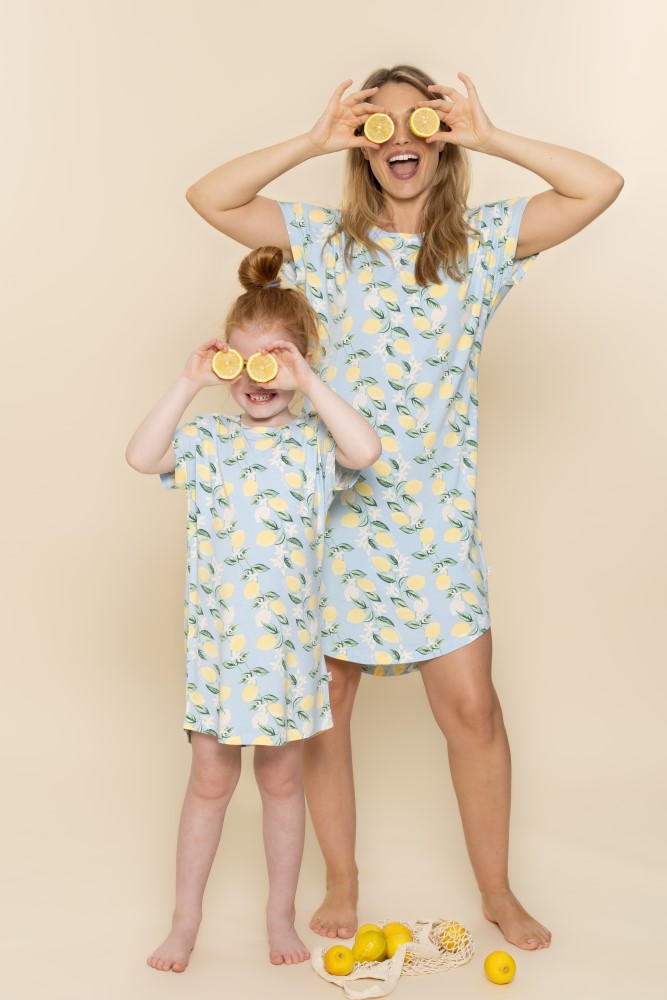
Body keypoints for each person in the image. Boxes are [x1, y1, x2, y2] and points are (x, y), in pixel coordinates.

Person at [184, 65, 623, 951]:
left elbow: (597, 186)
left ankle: (496, 892)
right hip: (330, 517)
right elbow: (210, 196)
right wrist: (313, 139)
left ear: (440, 138)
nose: (398, 138)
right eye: (376, 124)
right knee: (328, 712)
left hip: (435, 521)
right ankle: (342, 880)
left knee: (473, 713)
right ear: (361, 147)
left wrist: (488, 134)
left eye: (418, 120)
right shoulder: (321, 242)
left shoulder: (481, 244)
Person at [125, 245, 382, 972]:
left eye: (275, 363)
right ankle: (185, 924)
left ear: (301, 364)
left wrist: (311, 382)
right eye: (244, 363)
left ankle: (279, 918)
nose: (256, 379)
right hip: (218, 649)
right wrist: (188, 382)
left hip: (285, 653)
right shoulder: (207, 440)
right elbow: (142, 456)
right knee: (209, 782)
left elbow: (365, 450)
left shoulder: (314, 444)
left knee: (280, 782)